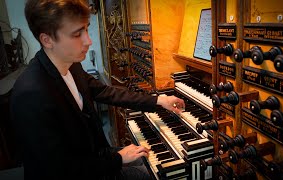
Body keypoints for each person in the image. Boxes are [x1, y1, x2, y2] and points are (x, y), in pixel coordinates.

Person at [10, 0, 185, 180]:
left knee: (155, 160)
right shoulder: (31, 95)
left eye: (86, 29)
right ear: (47, 40)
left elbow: (105, 92)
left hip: (95, 157)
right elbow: (57, 170)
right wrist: (118, 159)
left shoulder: (72, 66)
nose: (88, 40)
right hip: (79, 171)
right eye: (78, 34)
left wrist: (157, 100)